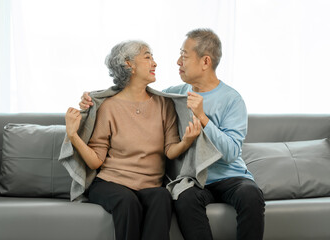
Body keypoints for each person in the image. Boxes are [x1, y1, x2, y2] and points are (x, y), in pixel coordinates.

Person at [79, 29, 265, 240]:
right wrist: (93, 100)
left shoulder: (232, 99)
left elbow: (231, 153)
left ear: (205, 62)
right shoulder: (175, 94)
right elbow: (134, 92)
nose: (178, 61)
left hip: (230, 177)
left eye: (184, 56)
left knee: (251, 195)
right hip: (195, 180)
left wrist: (203, 117)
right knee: (184, 199)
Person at [65, 40, 201, 240]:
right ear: (128, 64)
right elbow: (95, 161)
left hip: (149, 185)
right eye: (148, 57)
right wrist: (73, 136)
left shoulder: (164, 105)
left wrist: (187, 140)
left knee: (163, 196)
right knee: (127, 202)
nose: (154, 63)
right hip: (110, 183)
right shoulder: (109, 107)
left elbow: (170, 150)